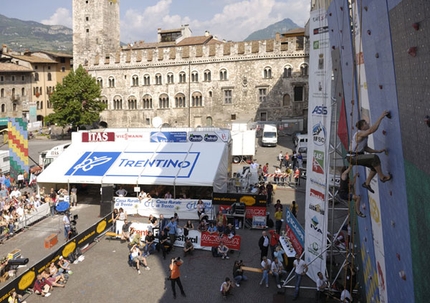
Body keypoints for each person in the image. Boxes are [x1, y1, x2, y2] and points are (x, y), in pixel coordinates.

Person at [347, 111, 392, 193]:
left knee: (374, 167)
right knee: (374, 158)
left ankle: (367, 183)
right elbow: (371, 130)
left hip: (356, 156)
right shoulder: (359, 134)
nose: (368, 124)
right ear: (363, 126)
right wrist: (381, 117)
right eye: (366, 123)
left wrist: (378, 151)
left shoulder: (364, 135)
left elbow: (365, 148)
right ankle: (382, 177)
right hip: (352, 157)